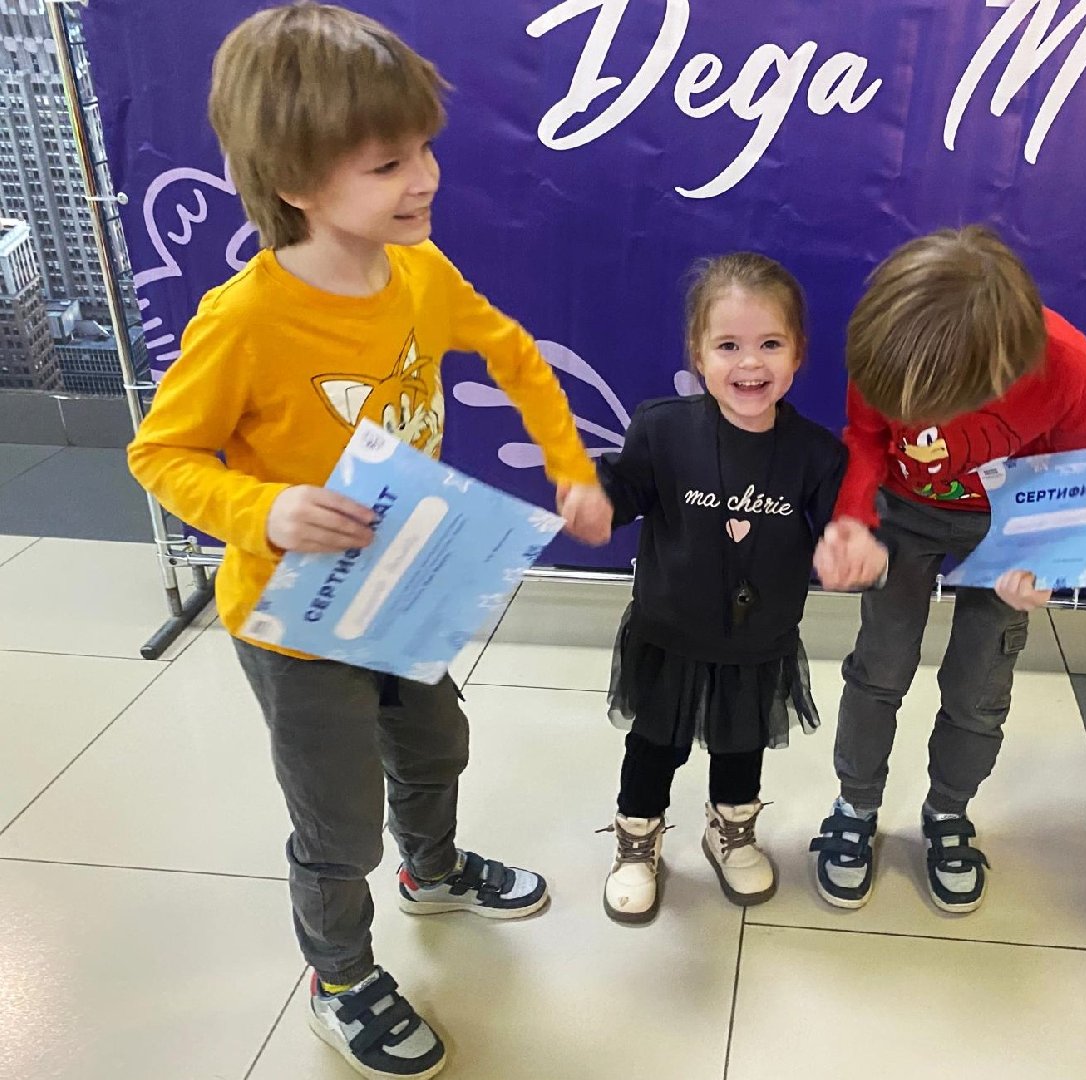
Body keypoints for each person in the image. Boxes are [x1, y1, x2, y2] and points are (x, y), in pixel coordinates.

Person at [127, 5, 611, 1076]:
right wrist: (265, 510)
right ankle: (339, 975)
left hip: (405, 588)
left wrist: (572, 468)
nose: (425, 178)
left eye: (425, 148)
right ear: (296, 181)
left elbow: (516, 355)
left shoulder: (419, 273)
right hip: (295, 625)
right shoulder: (244, 320)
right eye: (389, 164)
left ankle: (431, 870)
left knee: (437, 745)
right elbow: (160, 455)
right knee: (337, 823)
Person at [809, 226, 1086, 915]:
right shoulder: (891, 339)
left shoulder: (1062, 360)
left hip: (1009, 522)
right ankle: (856, 805)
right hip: (903, 513)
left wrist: (1047, 560)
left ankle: (948, 810)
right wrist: (851, 518)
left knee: (980, 686)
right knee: (879, 667)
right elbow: (866, 437)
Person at [595, 253, 887, 924]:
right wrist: (594, 498)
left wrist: (855, 546)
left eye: (770, 344)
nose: (749, 363)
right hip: (669, 631)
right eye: (728, 345)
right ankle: (637, 837)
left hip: (758, 640)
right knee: (654, 746)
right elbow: (624, 492)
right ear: (698, 354)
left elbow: (840, 526)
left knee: (741, 744)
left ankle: (731, 829)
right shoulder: (662, 428)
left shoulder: (817, 454)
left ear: (798, 353)